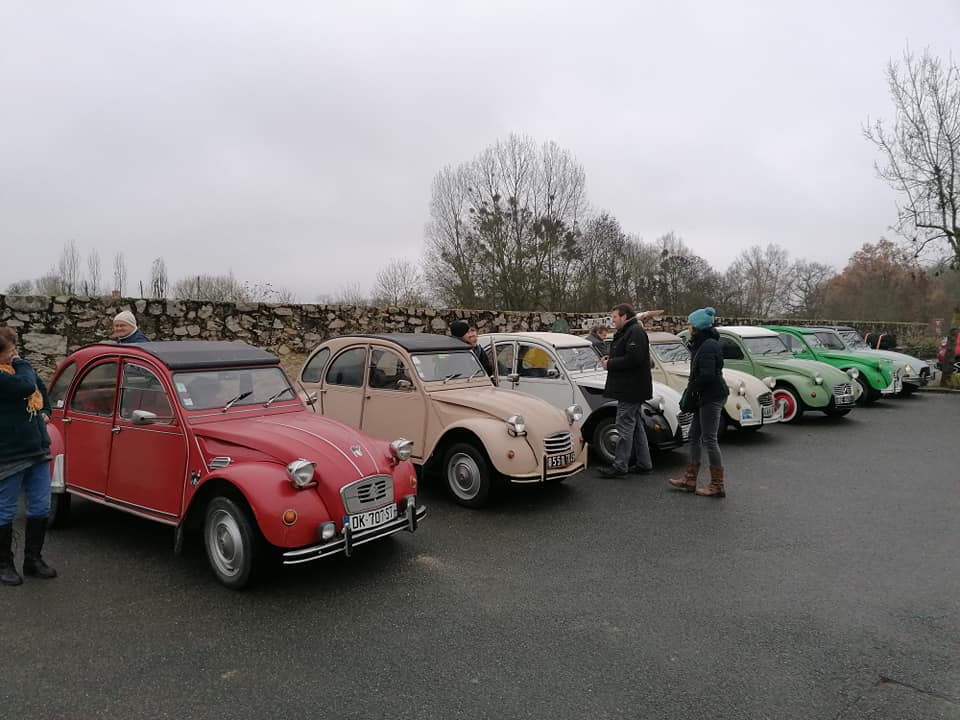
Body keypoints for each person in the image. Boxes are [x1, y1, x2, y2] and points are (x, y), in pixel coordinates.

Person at [0, 327, 57, 586]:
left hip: (37, 448)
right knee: (6, 510)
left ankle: (33, 559)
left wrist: (45, 410)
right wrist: (21, 362)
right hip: (9, 453)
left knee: (41, 506)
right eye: (10, 350)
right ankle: (4, 563)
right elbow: (25, 385)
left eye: (15, 349)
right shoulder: (12, 373)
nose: (15, 354)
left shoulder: (21, 369)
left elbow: (40, 389)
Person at [669, 307, 729, 497]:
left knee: (710, 439)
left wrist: (692, 389)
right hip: (704, 396)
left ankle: (717, 485)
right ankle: (689, 479)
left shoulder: (708, 345)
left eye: (690, 324)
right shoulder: (701, 343)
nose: (687, 327)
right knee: (694, 436)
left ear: (696, 327)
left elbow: (708, 376)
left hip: (711, 396)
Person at [598, 303, 653, 477]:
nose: (612, 320)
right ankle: (644, 463)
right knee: (635, 426)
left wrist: (610, 364)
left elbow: (634, 359)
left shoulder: (634, 331)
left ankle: (620, 465)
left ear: (624, 316)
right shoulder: (629, 332)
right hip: (632, 387)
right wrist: (611, 358)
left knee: (624, 426)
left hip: (630, 388)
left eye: (615, 317)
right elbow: (629, 355)